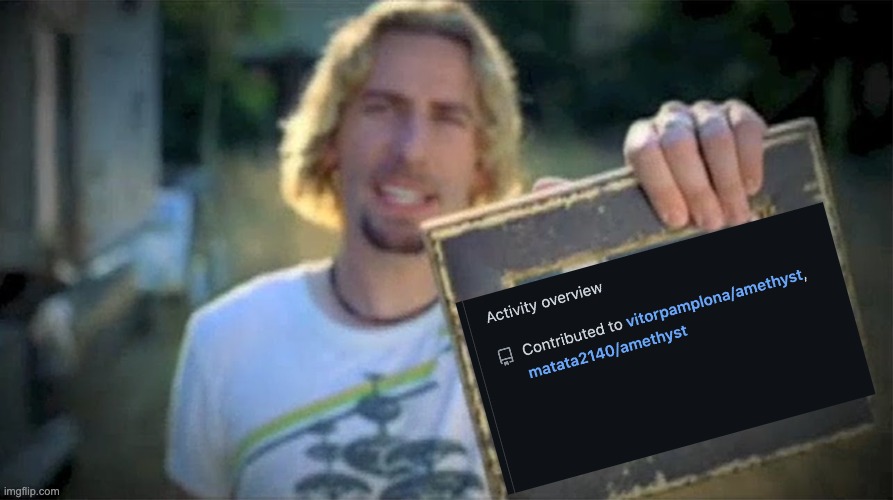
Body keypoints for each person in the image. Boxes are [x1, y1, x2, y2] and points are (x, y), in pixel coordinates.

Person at [165, 1, 768, 498]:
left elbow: (766, 354)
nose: (411, 149)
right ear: (331, 139)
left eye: (448, 117)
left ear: (483, 161)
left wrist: (733, 197)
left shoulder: (544, 335)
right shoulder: (224, 340)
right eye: (381, 107)